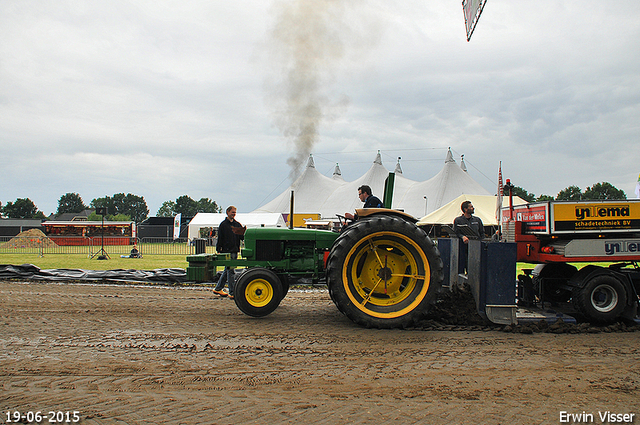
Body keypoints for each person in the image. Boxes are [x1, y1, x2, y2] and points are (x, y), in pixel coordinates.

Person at [213, 206, 245, 299]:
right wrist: (219, 249)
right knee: (231, 271)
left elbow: (241, 237)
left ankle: (218, 288)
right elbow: (220, 238)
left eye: (235, 212)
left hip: (234, 250)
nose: (234, 214)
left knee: (227, 270)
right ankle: (232, 292)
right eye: (232, 212)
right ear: (227, 212)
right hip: (226, 251)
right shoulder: (223, 225)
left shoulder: (237, 224)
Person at [453, 201, 485, 274]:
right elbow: (456, 232)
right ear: (465, 209)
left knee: (474, 268)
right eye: (471, 207)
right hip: (463, 249)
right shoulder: (458, 220)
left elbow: (482, 233)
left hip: (475, 249)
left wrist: (480, 243)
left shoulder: (477, 220)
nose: (473, 208)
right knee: (462, 266)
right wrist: (462, 237)